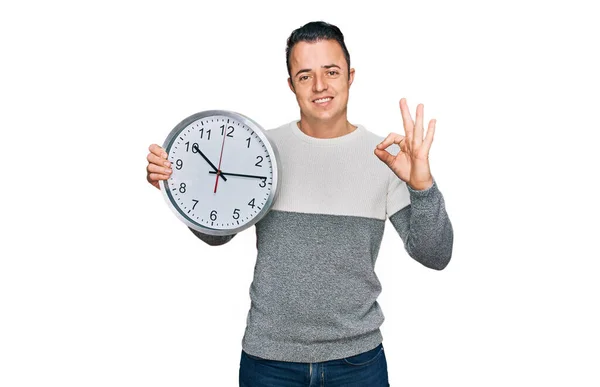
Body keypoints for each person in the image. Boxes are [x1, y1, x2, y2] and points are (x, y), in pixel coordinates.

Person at [146, 21, 453, 387]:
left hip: (358, 363)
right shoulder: (260, 149)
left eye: (331, 72)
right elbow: (217, 236)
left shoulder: (386, 158)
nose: (320, 86)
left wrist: (422, 185)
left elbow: (435, 255)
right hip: (269, 362)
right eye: (305, 76)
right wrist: (179, 187)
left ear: (350, 76)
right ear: (291, 85)